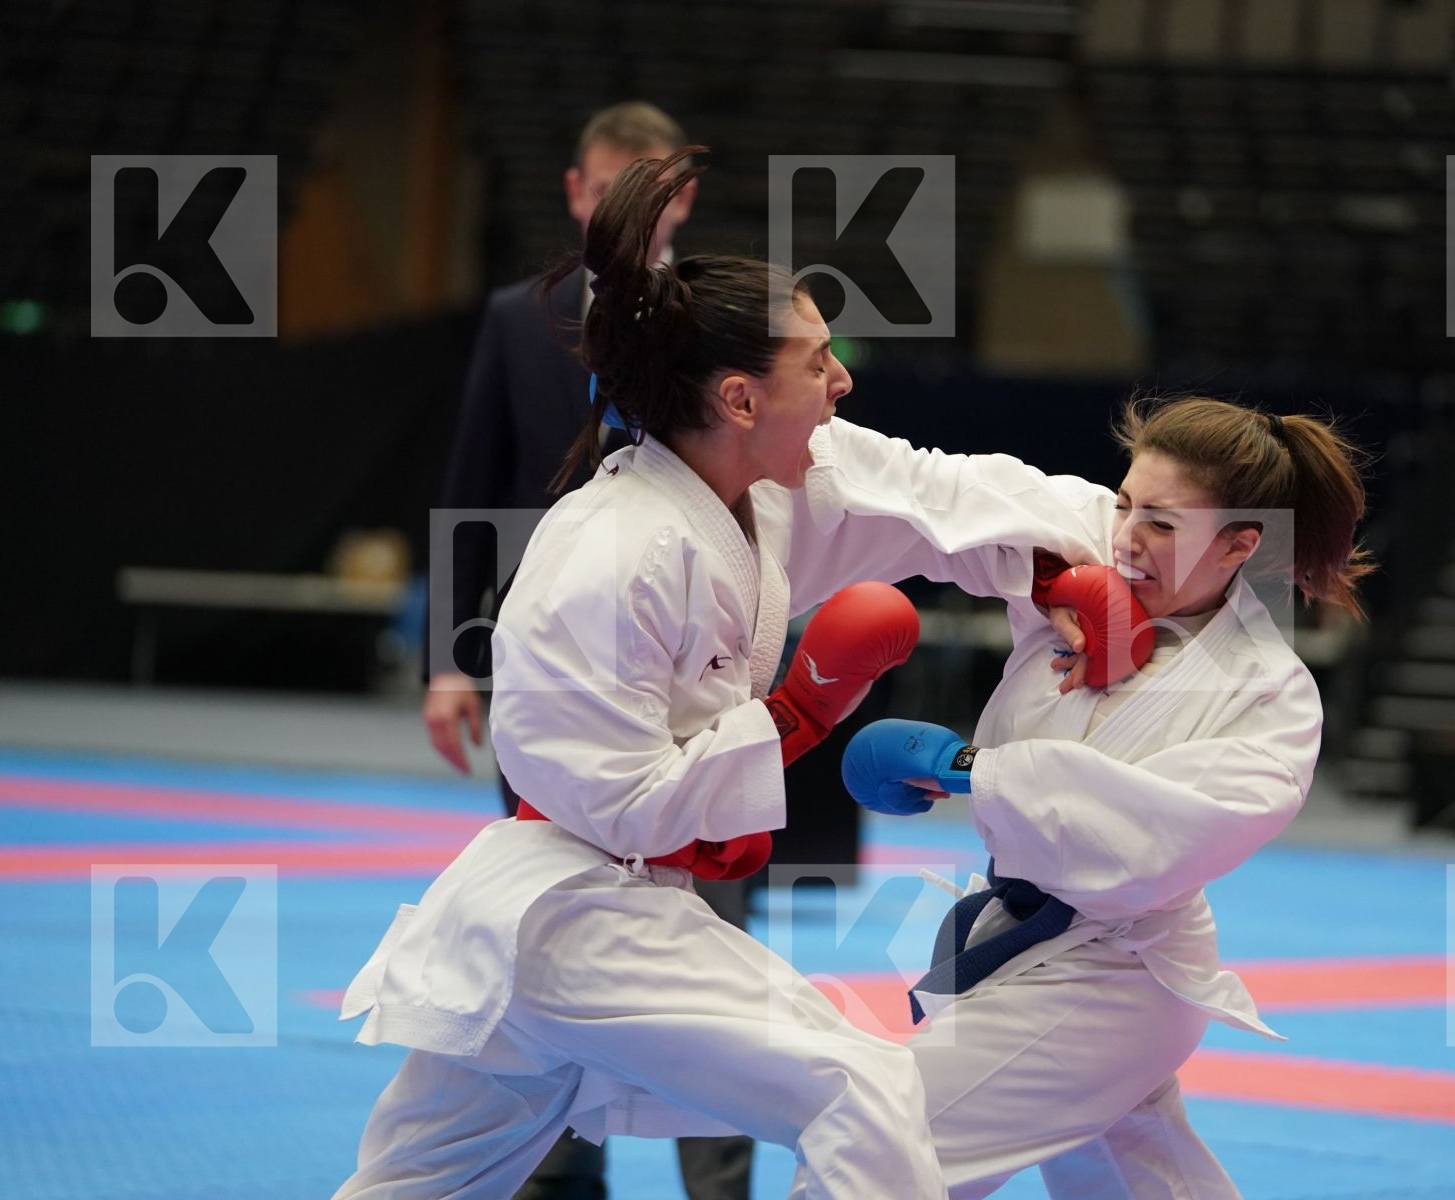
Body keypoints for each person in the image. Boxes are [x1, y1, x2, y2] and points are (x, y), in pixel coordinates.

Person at [333, 148, 1112, 1200]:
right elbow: (615, 799)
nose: (842, 381)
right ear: (742, 398)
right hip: (577, 910)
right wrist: (794, 714)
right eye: (819, 362)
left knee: (416, 1184)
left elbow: (934, 496)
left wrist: (1093, 558)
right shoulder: (610, 552)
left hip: (597, 914)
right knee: (862, 1091)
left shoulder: (773, 485)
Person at [831, 395, 1374, 1197]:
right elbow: (925, 487)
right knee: (1135, 1181)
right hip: (1029, 938)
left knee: (875, 1150)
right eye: (1124, 503)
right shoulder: (1085, 555)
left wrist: (965, 766)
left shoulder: (1269, 694)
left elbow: (1146, 835)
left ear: (1239, 545)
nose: (1126, 538)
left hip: (1118, 973)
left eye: (1162, 522)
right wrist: (759, 417)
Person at [421, 102, 746, 1200]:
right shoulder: (519, 321)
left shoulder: (720, 320)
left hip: (691, 672)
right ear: (575, 192)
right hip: (548, 667)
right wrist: (450, 659)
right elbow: (472, 485)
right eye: (607, 188)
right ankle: (559, 1178)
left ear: (681, 198)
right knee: (550, 916)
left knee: (708, 933)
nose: (624, 208)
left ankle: (718, 1186)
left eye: (647, 189)